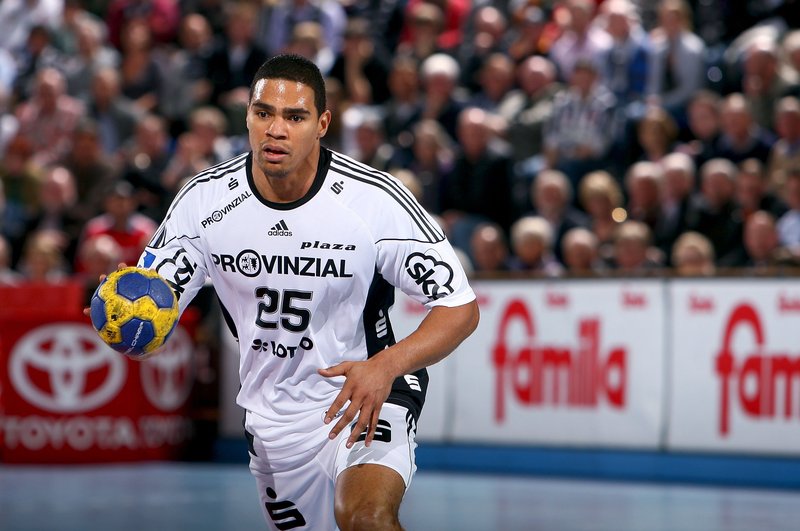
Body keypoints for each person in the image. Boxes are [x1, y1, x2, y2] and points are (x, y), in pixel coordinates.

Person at [129, 54, 479, 530]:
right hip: (272, 414)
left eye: (295, 117)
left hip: (366, 392)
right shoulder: (204, 201)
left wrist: (386, 366)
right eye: (264, 113)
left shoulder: (373, 201)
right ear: (247, 117)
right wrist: (125, 320)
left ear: (322, 124)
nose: (276, 130)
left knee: (367, 518)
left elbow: (460, 308)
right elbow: (152, 306)